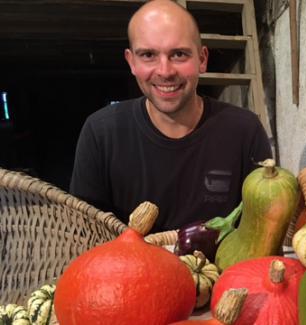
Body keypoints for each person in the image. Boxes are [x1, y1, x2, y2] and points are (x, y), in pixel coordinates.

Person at [69, 0, 272, 233]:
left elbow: (261, 231)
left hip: (225, 270)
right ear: (131, 62)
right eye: (148, 55)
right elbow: (85, 237)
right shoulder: (101, 133)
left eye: (178, 54)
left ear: (202, 59)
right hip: (131, 269)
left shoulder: (244, 131)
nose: (165, 71)